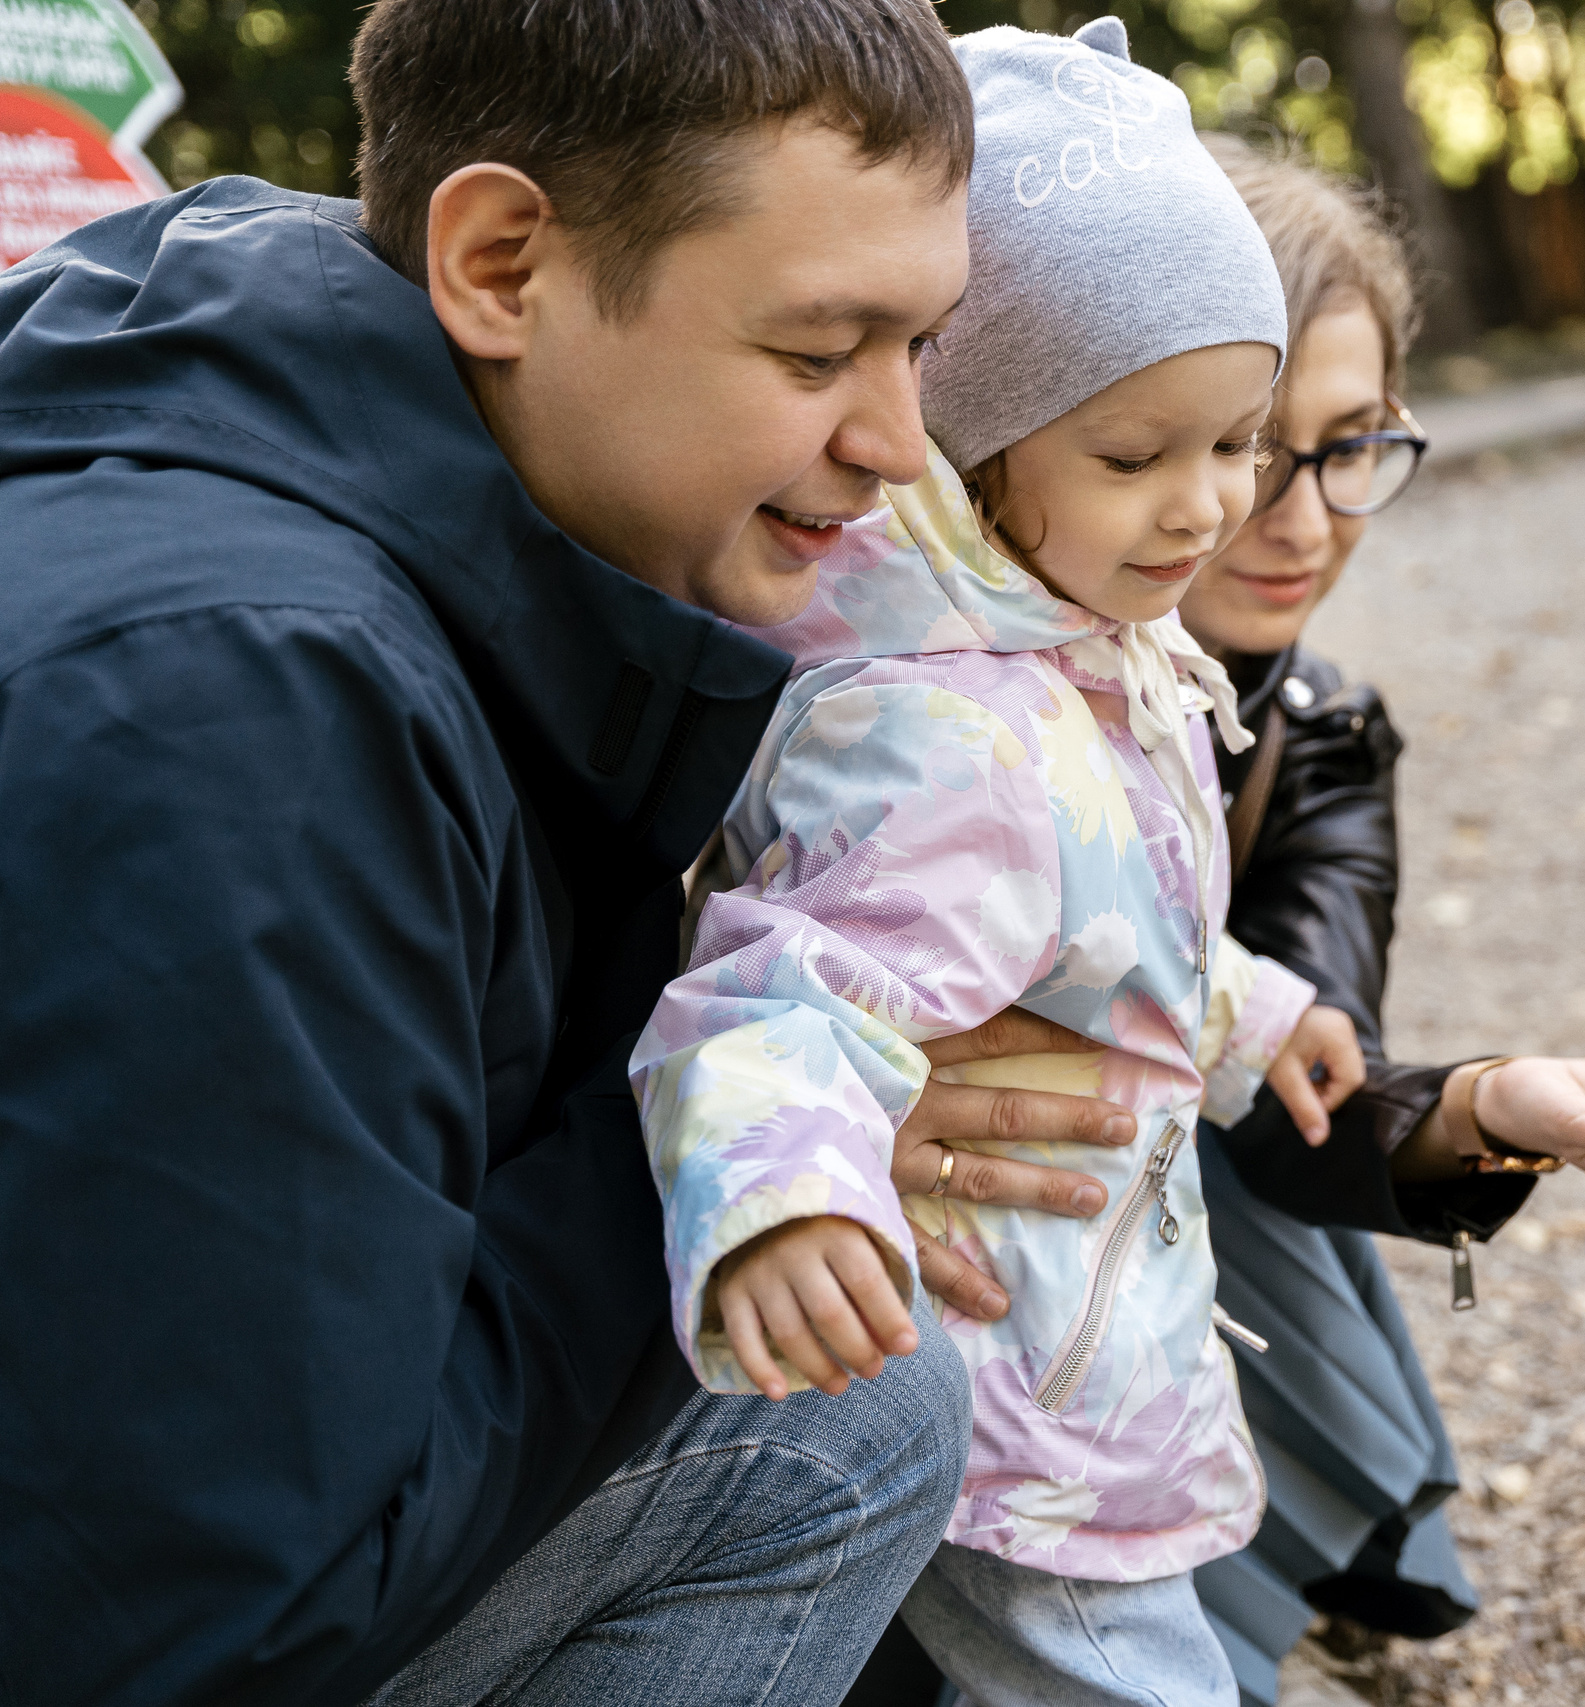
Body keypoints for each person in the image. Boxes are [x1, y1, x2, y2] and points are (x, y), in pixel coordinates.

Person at [0, 0, 1145, 1698]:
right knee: (846, 1407)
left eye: (924, 349)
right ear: (502, 262)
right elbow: (210, 1620)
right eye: (821, 351)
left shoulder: (277, 455)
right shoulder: (246, 710)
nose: (900, 444)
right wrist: (707, 1150)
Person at [633, 25, 1366, 1707]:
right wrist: (786, 1203)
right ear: (975, 452)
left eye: (1236, 442)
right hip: (1000, 1378)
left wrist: (1249, 1016)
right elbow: (791, 992)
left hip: (1079, 1352)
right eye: (1135, 457)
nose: (1208, 509)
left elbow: (1106, 920)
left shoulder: (1090, 656)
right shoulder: (946, 734)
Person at [1177, 137, 1585, 1695]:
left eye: (1354, 446)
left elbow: (1295, 1111)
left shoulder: (1316, 730)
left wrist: (1489, 1107)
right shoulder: (916, 691)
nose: (1306, 519)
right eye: (1253, 447)